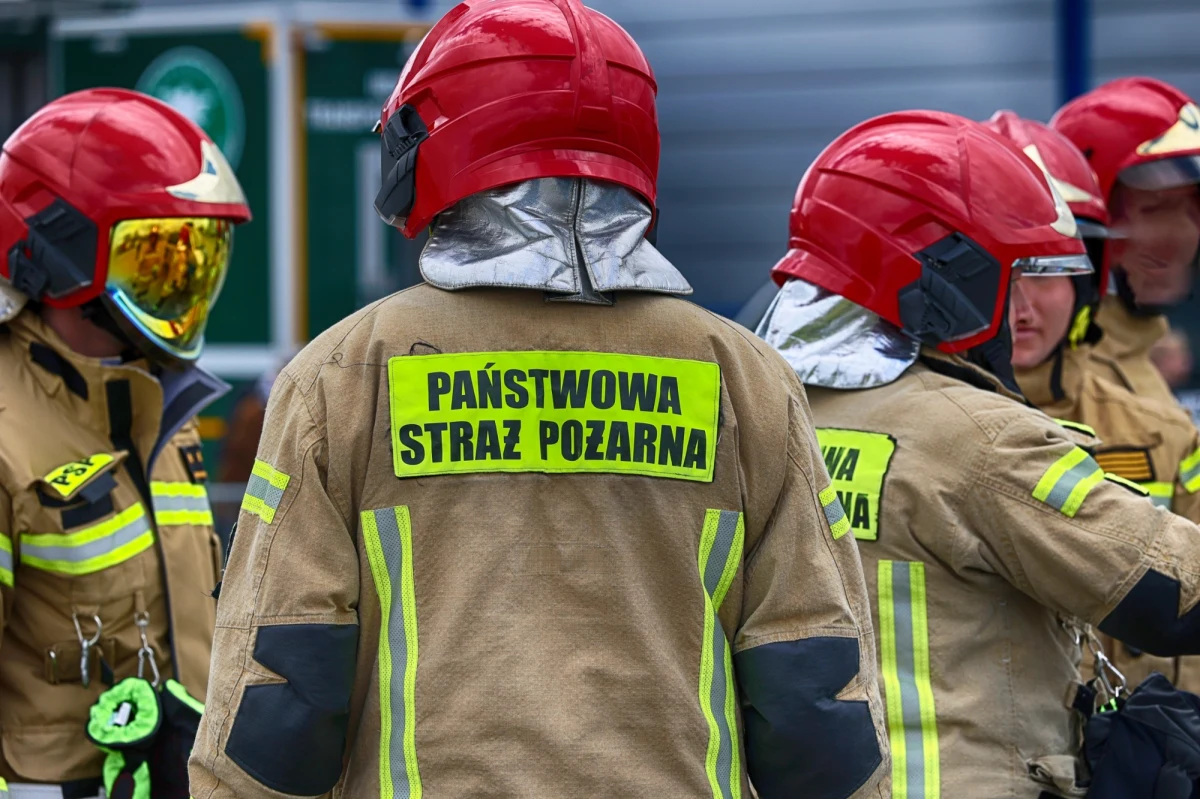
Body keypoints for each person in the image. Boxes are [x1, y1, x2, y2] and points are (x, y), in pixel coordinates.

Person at [189, 1, 888, 797]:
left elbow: (280, 694)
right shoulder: (746, 377)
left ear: (432, 148)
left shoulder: (343, 374)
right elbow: (814, 692)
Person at [757, 109, 1200, 798]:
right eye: (1013, 272)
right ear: (954, 278)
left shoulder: (765, 411)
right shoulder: (981, 438)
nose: (1022, 304)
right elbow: (1173, 596)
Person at [0, 89, 249, 796]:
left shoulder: (152, 405)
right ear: (65, 256)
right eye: (158, 260)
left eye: (197, 260)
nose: (183, 286)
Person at [986, 109, 1200, 695]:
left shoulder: (1162, 428)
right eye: (1001, 272)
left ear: (1085, 281)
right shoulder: (928, 432)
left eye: (1047, 272)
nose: (1021, 305)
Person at [1051, 77, 1200, 407]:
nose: (1185, 237)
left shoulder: (1156, 357)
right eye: (1155, 209)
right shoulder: (1054, 383)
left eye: (1194, 210)